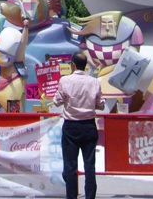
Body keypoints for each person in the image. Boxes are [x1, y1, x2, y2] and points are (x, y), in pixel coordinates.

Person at [53, 51, 104, 199]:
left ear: (73, 65)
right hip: (89, 126)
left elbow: (57, 101)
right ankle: (90, 197)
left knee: (70, 167)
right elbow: (100, 104)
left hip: (71, 126)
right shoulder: (94, 82)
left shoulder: (65, 80)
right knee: (90, 166)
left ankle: (71, 196)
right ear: (85, 65)